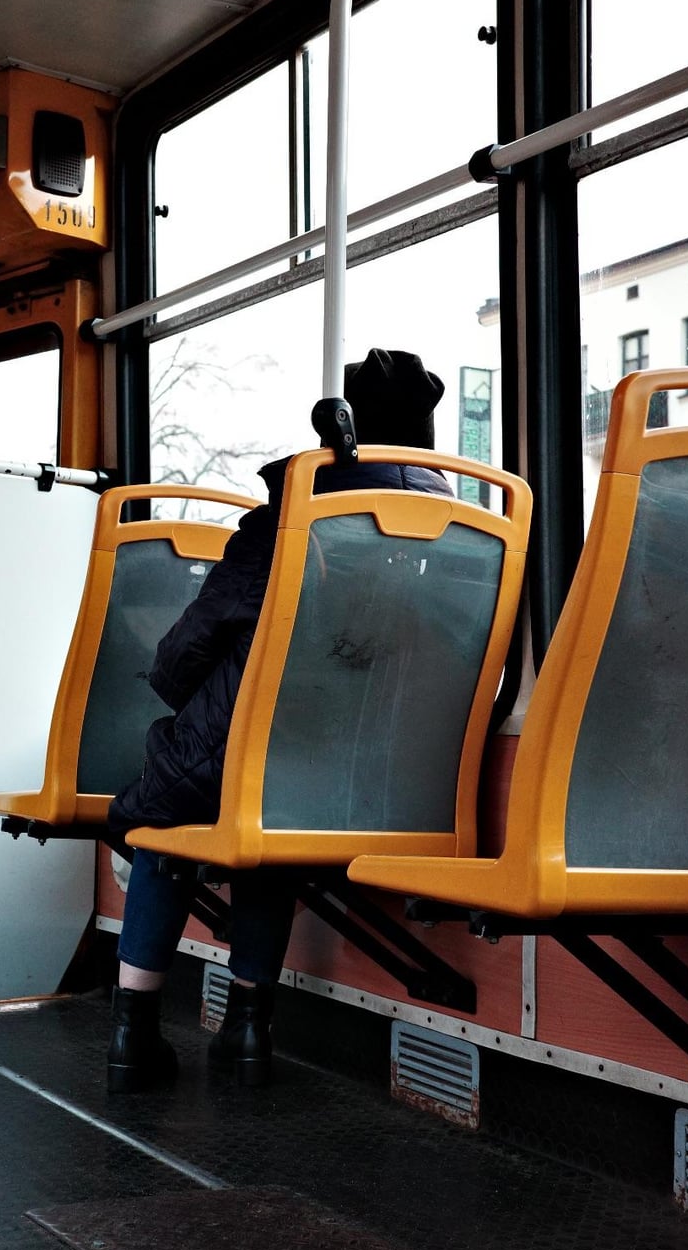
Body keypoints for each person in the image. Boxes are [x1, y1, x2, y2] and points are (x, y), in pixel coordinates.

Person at [106, 348, 450, 1092]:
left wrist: (183, 693)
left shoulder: (294, 519)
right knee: (273, 824)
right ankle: (249, 1027)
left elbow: (182, 656)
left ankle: (134, 1033)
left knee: (162, 814)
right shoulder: (456, 535)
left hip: (242, 760)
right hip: (380, 774)